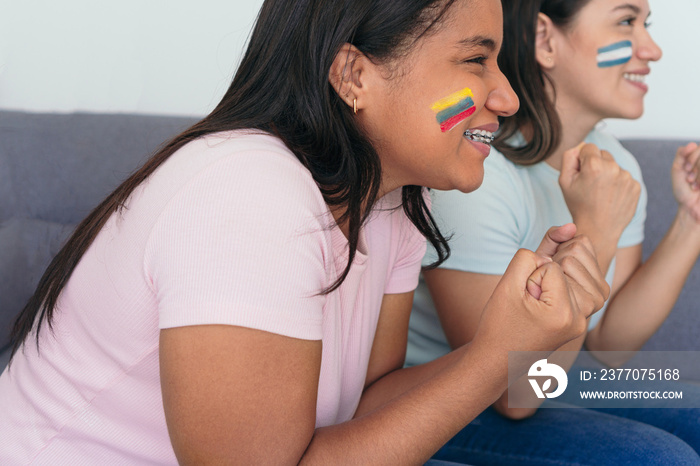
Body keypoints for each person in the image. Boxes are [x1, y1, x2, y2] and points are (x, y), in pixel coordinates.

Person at [0, 0, 611, 464]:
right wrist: (488, 359)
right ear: (353, 75)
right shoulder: (247, 191)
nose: (506, 97)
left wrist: (511, 348)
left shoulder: (394, 200)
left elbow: (370, 403)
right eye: (476, 60)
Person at [407, 0, 700, 464]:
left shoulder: (615, 167)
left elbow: (611, 348)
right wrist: (597, 233)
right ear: (545, 39)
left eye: (647, 24)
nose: (653, 48)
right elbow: (514, 394)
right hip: (451, 398)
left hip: (551, 378)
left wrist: (692, 221)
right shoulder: (476, 174)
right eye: (626, 22)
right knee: (660, 458)